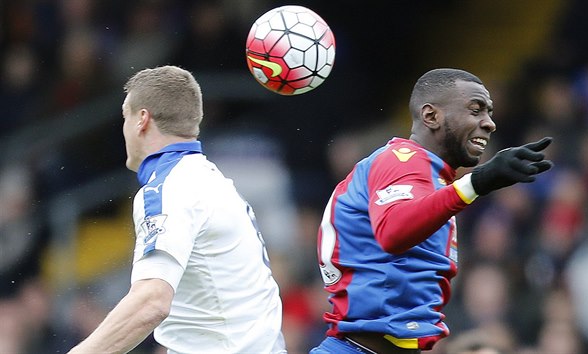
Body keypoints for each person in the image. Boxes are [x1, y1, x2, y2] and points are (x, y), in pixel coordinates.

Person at [310, 68, 553, 354]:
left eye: (489, 112)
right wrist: (477, 182)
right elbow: (393, 231)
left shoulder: (432, 182)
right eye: (475, 110)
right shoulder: (403, 161)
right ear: (431, 116)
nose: (489, 123)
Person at [68, 65, 286, 354]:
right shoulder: (211, 180)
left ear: (141, 120)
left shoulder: (168, 188)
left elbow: (151, 303)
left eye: (125, 116)